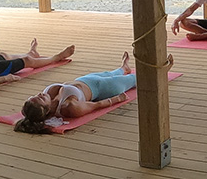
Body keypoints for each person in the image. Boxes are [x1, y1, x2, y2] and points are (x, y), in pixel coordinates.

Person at [14, 51, 173, 134]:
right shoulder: (69, 107)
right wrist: (116, 99)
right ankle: (161, 73)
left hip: (86, 80)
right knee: (136, 79)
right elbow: (95, 105)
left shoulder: (47, 95)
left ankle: (123, 68)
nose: (40, 94)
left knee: (112, 72)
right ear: (47, 109)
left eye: (35, 95)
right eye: (40, 99)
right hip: (104, 88)